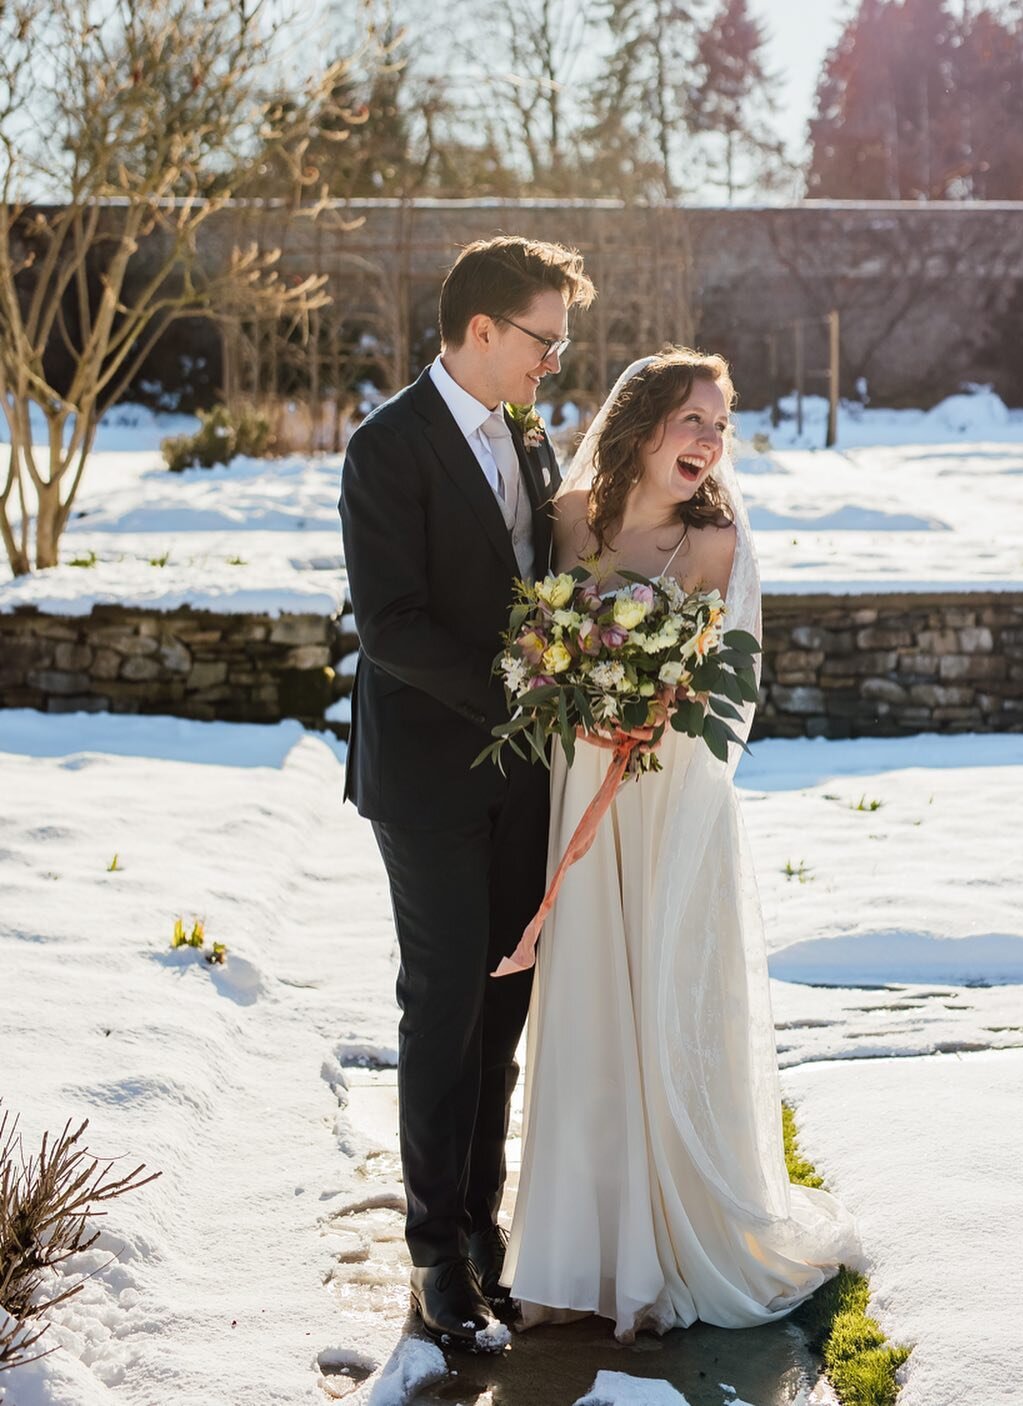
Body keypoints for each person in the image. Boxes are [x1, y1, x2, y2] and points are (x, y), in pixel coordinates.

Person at [501, 349, 861, 1341]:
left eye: (720, 423)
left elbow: (727, 687)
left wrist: (657, 713)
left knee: (660, 1005)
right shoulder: (570, 522)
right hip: (584, 783)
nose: (708, 439)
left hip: (671, 799)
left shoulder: (717, 542)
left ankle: (661, 1255)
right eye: (691, 417)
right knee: (584, 1009)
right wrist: (572, 691)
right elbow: (539, 647)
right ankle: (572, 1257)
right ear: (641, 423)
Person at [338, 235, 596, 1347]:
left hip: (525, 775)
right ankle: (436, 1249)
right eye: (546, 338)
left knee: (503, 1004)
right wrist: (524, 692)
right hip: (431, 777)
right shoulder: (385, 447)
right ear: (481, 330)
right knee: (443, 1004)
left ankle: (487, 1230)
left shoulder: (531, 439)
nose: (555, 361)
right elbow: (391, 625)